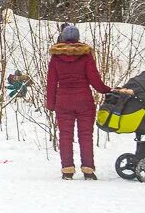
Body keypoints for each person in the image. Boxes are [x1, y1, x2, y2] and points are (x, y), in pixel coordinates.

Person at [46, 24, 131, 180]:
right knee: (85, 135)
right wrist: (107, 90)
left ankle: (67, 170)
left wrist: (50, 103)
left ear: (63, 38)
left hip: (63, 101)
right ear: (78, 38)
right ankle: (88, 170)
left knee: (65, 135)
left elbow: (51, 83)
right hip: (84, 101)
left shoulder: (56, 58)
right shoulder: (86, 56)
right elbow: (95, 80)